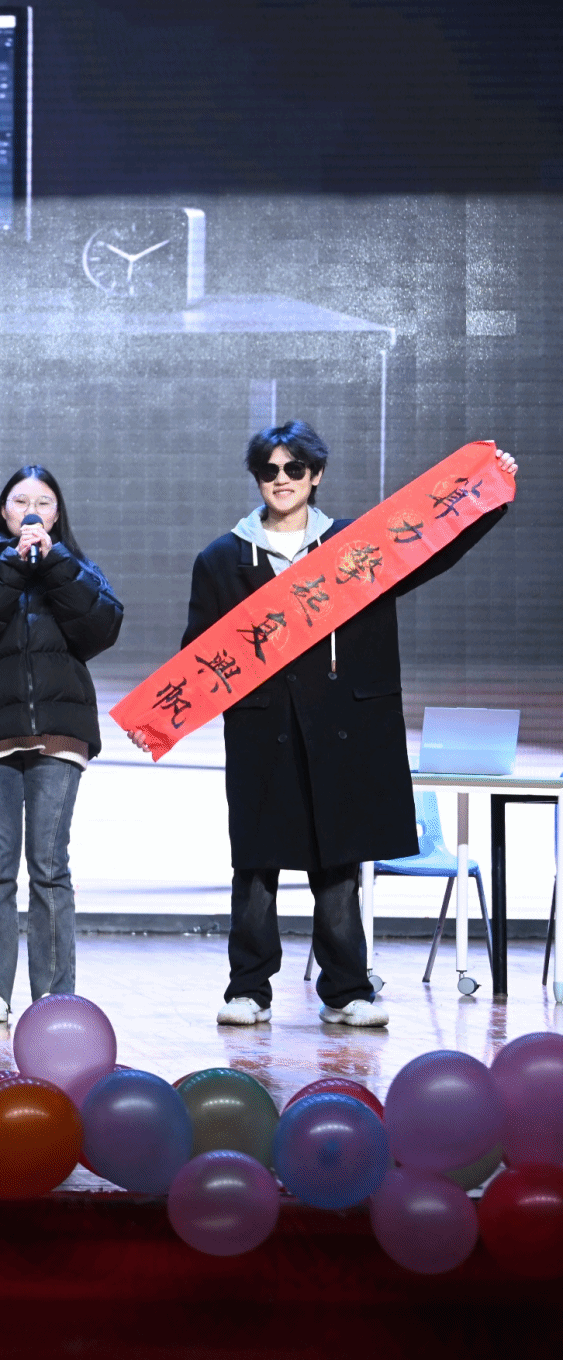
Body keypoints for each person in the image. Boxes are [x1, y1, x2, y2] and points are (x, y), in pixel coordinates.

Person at [181, 423, 515, 1028]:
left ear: (315, 476)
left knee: (338, 863)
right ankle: (248, 990)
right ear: (257, 479)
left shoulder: (354, 547)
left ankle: (345, 992)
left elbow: (435, 547)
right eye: (269, 470)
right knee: (255, 866)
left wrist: (489, 495)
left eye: (294, 469)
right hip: (264, 732)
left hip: (340, 729)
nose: (281, 480)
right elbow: (199, 656)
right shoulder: (222, 559)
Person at [0, 466, 121, 1023]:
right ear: (4, 511)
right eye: (21, 501)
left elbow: (102, 627)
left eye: (43, 501)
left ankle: (54, 997)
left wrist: (55, 564)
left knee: (50, 865)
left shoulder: (75, 567)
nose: (31, 510)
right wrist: (12, 568)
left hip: (59, 734)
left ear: (57, 514)